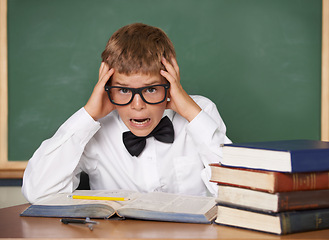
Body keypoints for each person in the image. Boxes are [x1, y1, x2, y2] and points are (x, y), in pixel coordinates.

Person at [22, 23, 231, 203]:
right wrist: (88, 116)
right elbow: (38, 192)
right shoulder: (96, 126)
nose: (138, 104)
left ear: (169, 85)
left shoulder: (201, 112)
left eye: (150, 89)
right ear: (107, 87)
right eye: (123, 90)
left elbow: (238, 194)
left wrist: (191, 113)